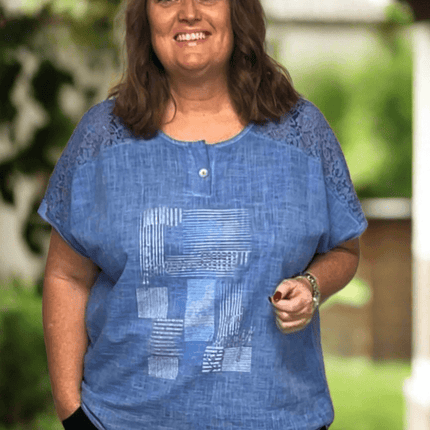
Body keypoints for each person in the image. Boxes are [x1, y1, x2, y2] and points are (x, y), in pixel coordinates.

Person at [39, 0, 368, 429]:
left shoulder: (302, 133)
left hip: (282, 418)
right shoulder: (101, 138)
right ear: (145, 17)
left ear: (238, 11)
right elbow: (67, 276)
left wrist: (312, 285)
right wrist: (72, 413)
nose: (189, 12)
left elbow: (345, 248)